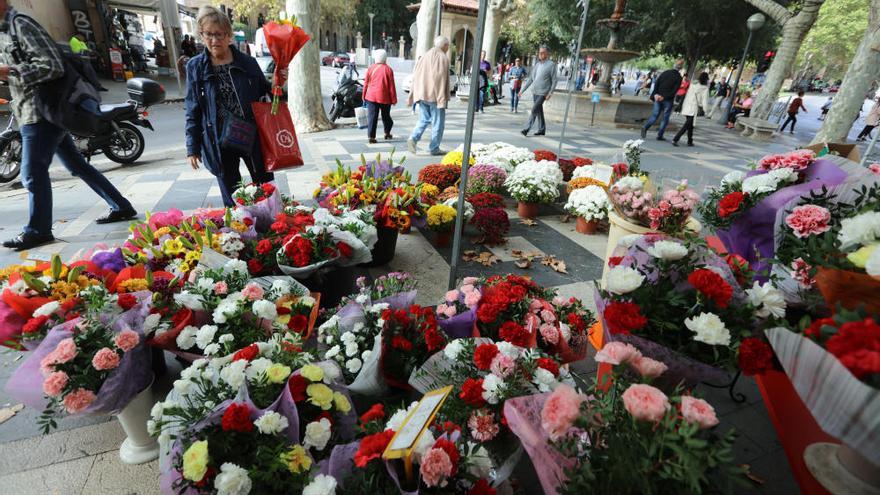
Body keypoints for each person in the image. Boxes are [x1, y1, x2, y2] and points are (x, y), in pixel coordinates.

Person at [0, 1, 137, 250]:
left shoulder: (21, 25)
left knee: (31, 172)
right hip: (33, 110)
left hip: (41, 112)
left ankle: (38, 230)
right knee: (76, 166)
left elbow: (52, 66)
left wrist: (9, 71)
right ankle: (122, 206)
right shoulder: (5, 30)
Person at [185, 5, 274, 207]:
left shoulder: (248, 63)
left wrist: (279, 85)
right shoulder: (195, 67)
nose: (214, 40)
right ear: (201, 34)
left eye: (219, 34)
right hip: (219, 140)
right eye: (209, 34)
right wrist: (193, 147)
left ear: (229, 35)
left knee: (265, 192)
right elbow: (193, 109)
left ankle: (270, 230)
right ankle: (240, 234)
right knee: (232, 198)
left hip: (252, 135)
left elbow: (268, 93)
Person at [407, 35, 451, 156]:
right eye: (448, 45)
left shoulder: (425, 55)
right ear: (445, 46)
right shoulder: (442, 57)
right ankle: (434, 148)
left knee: (423, 119)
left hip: (421, 94)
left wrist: (412, 95)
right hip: (435, 96)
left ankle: (413, 138)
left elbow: (415, 75)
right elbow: (439, 79)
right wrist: (441, 99)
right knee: (438, 122)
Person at [641, 59, 684, 140]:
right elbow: (674, 91)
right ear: (680, 68)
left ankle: (645, 127)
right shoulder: (678, 77)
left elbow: (657, 83)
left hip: (658, 97)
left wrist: (655, 94)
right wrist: (664, 97)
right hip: (667, 99)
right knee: (665, 117)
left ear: (674, 65)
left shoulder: (665, 73)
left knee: (655, 115)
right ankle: (660, 135)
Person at [520, 45, 557, 137]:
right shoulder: (537, 65)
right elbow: (530, 79)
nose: (540, 54)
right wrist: (522, 90)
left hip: (543, 93)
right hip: (535, 92)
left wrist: (550, 93)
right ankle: (542, 129)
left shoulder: (551, 65)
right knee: (539, 111)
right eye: (539, 52)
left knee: (534, 109)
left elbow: (554, 80)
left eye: (542, 52)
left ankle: (526, 129)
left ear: (547, 54)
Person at [362, 49, 397, 144]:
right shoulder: (388, 69)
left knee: (372, 117)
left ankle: (371, 137)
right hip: (384, 98)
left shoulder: (371, 68)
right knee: (386, 116)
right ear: (385, 58)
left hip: (371, 97)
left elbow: (366, 83)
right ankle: (387, 132)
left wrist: (363, 95)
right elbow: (391, 86)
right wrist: (393, 99)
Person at [672, 72, 710, 147]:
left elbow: (687, 95)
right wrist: (706, 111)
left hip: (687, 106)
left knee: (690, 125)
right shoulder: (705, 89)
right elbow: (705, 101)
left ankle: (690, 141)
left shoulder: (692, 85)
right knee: (687, 125)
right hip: (694, 108)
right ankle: (675, 139)